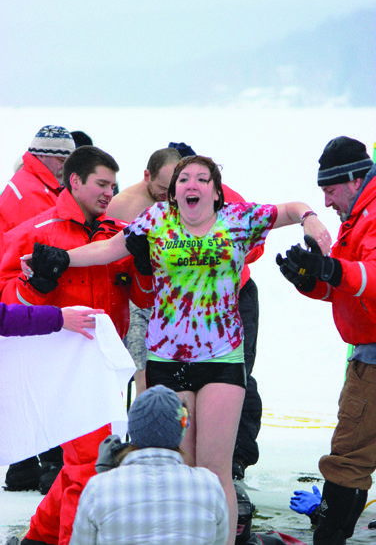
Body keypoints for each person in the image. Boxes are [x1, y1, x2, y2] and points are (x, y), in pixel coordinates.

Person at [22, 154, 331, 545]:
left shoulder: (238, 220)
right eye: (184, 179)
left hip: (221, 360)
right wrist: (62, 258)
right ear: (173, 192)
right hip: (167, 360)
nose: (192, 185)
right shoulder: (156, 222)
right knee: (180, 466)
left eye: (203, 179)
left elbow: (288, 208)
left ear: (216, 193)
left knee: (215, 468)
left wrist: (310, 219)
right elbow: (108, 249)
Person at [1, 145, 154, 545]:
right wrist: (36, 285)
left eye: (113, 185)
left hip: (104, 361)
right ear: (75, 181)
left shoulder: (116, 236)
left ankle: (40, 537)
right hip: (57, 365)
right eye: (101, 183)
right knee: (89, 464)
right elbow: (6, 304)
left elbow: (144, 298)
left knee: (83, 461)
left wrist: (142, 266)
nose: (109, 192)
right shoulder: (35, 233)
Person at [276, 136, 375, 545]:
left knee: (348, 459)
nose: (327, 201)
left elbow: (367, 277)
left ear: (354, 180)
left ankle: (329, 539)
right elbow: (349, 288)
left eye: (330, 190)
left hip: (372, 362)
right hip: (367, 351)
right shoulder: (360, 215)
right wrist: (310, 280)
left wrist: (333, 271)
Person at [168, 142, 262, 479]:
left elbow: (255, 246)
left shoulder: (227, 197)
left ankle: (234, 458)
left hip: (234, 300)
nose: (188, 185)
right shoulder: (161, 204)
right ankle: (181, 459)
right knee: (183, 385)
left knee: (236, 378)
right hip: (182, 309)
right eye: (180, 178)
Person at [0, 125, 76, 493]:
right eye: (63, 160)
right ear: (50, 158)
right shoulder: (33, 194)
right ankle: (50, 466)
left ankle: (24, 467)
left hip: (14, 292)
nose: (66, 167)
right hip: (20, 292)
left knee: (26, 377)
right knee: (42, 378)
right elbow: (50, 240)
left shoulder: (28, 183)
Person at [70, 384, 229, 545]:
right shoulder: (210, 486)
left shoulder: (99, 488)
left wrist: (105, 477)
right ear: (180, 430)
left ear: (133, 428)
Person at [107, 146, 182, 395]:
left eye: (172, 189)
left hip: (172, 298)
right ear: (147, 175)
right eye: (162, 189)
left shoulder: (181, 203)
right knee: (143, 372)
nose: (167, 196)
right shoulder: (121, 206)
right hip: (134, 298)